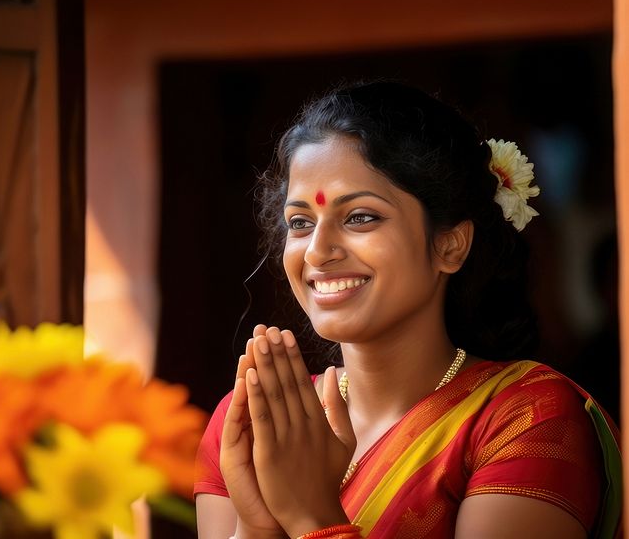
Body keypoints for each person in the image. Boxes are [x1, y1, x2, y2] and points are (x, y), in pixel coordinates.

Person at [194, 81, 622, 539]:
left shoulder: (524, 420)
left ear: (449, 245)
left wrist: (310, 517)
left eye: (360, 217)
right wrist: (258, 527)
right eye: (300, 222)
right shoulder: (251, 426)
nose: (317, 251)